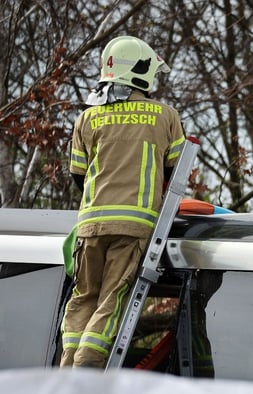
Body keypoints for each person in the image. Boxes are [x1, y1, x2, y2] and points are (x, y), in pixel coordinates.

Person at [60, 35, 187, 368]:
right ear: (141, 72)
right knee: (112, 298)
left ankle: (67, 364)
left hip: (89, 226)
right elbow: (175, 175)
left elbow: (78, 176)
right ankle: (87, 364)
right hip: (134, 226)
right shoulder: (165, 116)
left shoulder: (87, 119)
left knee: (83, 296)